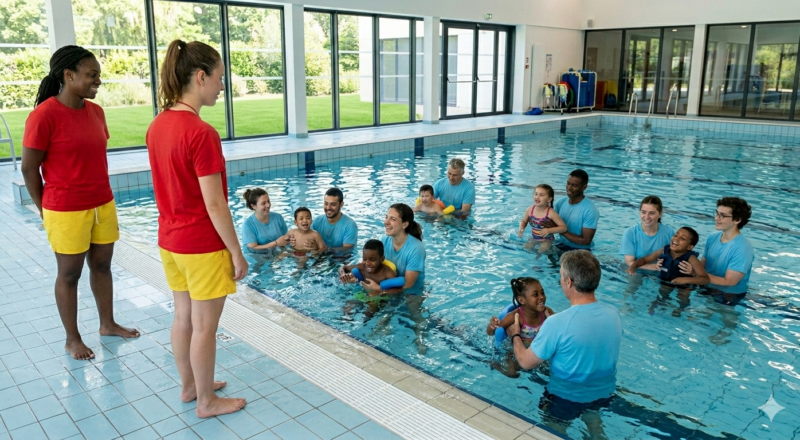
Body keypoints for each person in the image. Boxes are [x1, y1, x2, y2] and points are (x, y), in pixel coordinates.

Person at [146, 39, 247, 417]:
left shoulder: (158, 125)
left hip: (170, 242)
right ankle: (207, 401)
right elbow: (215, 204)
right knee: (205, 327)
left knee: (183, 317)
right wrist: (236, 251)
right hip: (201, 245)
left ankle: (191, 386)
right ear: (200, 77)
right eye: (219, 78)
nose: (222, 86)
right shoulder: (201, 133)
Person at [21, 45, 139, 361]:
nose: (97, 81)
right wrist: (46, 209)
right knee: (69, 274)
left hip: (102, 202)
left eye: (98, 75)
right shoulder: (44, 116)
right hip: (65, 208)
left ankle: (107, 323)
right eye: (91, 75)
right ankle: (72, 339)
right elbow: (29, 168)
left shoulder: (96, 112)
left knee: (102, 265)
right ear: (68, 75)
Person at [509, 250, 621, 435]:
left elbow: (526, 362)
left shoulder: (557, 322)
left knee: (552, 433)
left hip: (565, 398)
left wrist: (515, 335)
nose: (560, 280)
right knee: (595, 430)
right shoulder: (613, 314)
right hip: (603, 394)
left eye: (561, 275)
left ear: (569, 281)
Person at [679, 197, 754, 301]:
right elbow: (702, 266)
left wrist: (695, 273)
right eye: (717, 213)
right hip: (706, 287)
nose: (716, 218)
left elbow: (730, 282)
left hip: (729, 295)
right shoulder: (712, 237)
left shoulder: (742, 248)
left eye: (722, 216)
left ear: (737, 220)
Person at [487, 277, 555, 377]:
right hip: (515, 351)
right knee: (512, 373)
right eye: (535, 294)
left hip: (535, 351)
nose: (541, 297)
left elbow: (560, 325)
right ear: (522, 300)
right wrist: (492, 325)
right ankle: (495, 364)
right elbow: (492, 332)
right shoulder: (515, 317)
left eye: (542, 293)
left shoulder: (546, 312)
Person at [361, 204, 425, 295]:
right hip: (387, 287)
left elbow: (408, 286)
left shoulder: (416, 249)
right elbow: (371, 265)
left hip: (411, 293)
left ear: (404, 224)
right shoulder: (384, 241)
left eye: (393, 219)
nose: (386, 222)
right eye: (386, 217)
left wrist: (379, 289)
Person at [627, 227, 709, 286]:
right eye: (676, 235)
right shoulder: (664, 250)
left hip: (684, 286)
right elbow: (645, 259)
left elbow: (705, 279)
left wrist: (684, 280)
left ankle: (679, 309)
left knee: (683, 299)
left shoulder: (691, 258)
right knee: (661, 298)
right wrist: (633, 266)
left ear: (689, 247)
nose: (676, 239)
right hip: (665, 281)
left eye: (683, 239)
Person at [547, 170, 599, 250]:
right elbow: (550, 224)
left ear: (584, 187)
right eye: (568, 183)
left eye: (574, 185)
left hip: (581, 250)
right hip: (561, 244)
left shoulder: (590, 210)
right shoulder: (560, 203)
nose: (569, 188)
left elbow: (586, 241)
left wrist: (561, 230)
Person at [620, 196, 675, 268]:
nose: (646, 216)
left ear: (660, 214)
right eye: (643, 212)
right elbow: (630, 262)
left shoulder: (669, 232)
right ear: (639, 212)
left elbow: (677, 256)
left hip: (660, 271)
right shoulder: (630, 233)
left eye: (651, 213)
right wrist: (654, 267)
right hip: (637, 270)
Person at [298, 188, 357, 252]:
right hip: (321, 255)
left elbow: (347, 250)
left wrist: (323, 248)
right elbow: (306, 239)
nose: (328, 207)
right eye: (326, 203)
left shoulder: (350, 225)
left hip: (340, 258)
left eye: (333, 204)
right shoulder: (317, 221)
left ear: (341, 205)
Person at [518, 184, 568, 253]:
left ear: (549, 199)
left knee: (541, 251)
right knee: (526, 248)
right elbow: (523, 221)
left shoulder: (551, 213)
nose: (537, 197)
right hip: (535, 238)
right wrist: (521, 230)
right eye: (536, 194)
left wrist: (549, 230)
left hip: (547, 240)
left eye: (541, 195)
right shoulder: (529, 210)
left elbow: (563, 228)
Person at [241, 188, 289, 253]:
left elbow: (286, 238)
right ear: (253, 206)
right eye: (263, 203)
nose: (268, 205)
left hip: (276, 253)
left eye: (268, 201)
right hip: (257, 256)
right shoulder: (248, 224)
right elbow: (252, 248)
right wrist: (276, 243)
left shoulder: (278, 218)